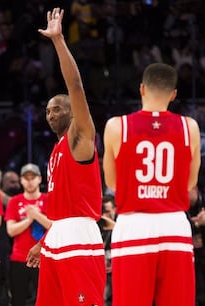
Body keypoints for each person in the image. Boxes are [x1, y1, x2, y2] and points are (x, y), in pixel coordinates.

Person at [102, 62, 201, 306]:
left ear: (142, 89)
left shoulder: (117, 126)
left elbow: (112, 182)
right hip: (174, 225)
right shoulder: (190, 127)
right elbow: (191, 183)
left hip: (134, 225)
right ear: (174, 94)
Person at [26, 8, 105, 306]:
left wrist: (58, 40)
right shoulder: (56, 149)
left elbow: (75, 86)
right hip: (56, 236)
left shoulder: (80, 137)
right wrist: (45, 240)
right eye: (46, 111)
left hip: (80, 237)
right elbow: (60, 208)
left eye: (56, 108)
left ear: (72, 111)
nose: (50, 114)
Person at [5, 163, 51, 306]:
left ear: (39, 179)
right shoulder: (15, 201)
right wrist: (30, 218)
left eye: (33, 177)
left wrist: (37, 215)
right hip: (19, 258)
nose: (30, 181)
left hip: (44, 258)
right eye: (26, 178)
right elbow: (11, 230)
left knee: (45, 299)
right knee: (18, 299)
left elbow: (55, 226)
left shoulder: (48, 199)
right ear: (21, 180)